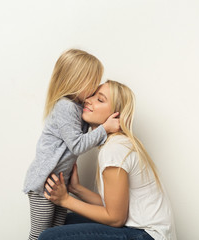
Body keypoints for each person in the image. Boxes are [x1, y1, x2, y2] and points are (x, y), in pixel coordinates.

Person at [41, 80, 177, 240]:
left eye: (100, 99)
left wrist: (65, 200)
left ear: (115, 115)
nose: (88, 100)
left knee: (50, 237)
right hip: (137, 229)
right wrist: (76, 189)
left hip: (149, 236)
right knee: (65, 221)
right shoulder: (116, 144)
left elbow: (115, 218)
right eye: (91, 96)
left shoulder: (115, 149)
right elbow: (116, 207)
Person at [23, 49, 120, 240]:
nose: (94, 89)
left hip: (60, 185)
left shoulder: (77, 107)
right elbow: (77, 145)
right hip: (44, 185)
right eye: (92, 82)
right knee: (39, 235)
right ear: (77, 81)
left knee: (56, 234)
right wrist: (105, 129)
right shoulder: (65, 107)